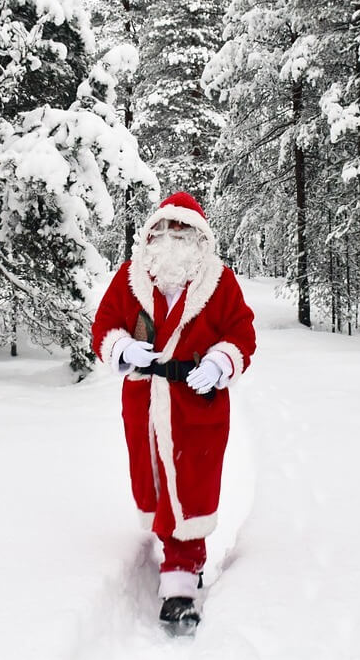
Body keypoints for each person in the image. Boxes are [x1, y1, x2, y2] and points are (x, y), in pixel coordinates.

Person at [91, 191, 257, 632]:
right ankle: (179, 557)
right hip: (144, 404)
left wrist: (222, 361)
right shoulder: (130, 278)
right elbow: (104, 325)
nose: (171, 239)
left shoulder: (219, 282)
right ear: (150, 235)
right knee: (153, 485)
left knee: (191, 488)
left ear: (200, 238)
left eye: (182, 231)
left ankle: (181, 578)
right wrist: (122, 347)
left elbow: (241, 330)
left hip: (197, 406)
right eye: (163, 230)